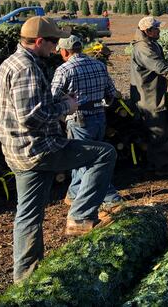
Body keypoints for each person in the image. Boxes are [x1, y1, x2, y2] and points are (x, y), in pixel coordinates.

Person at [0, 17, 117, 282]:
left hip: (18, 150)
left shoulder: (9, 63)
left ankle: (25, 280)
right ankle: (81, 217)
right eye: (52, 42)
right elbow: (31, 115)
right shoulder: (27, 68)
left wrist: (57, 100)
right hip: (40, 149)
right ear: (39, 41)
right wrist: (67, 107)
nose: (55, 48)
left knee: (28, 214)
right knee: (104, 153)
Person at [51, 34, 123, 210]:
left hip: (79, 120)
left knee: (88, 160)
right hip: (99, 117)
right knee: (91, 156)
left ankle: (110, 197)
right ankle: (74, 192)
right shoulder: (99, 65)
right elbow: (112, 92)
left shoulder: (64, 69)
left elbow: (51, 97)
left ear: (65, 51)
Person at [129, 16, 168, 177]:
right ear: (148, 31)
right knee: (159, 131)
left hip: (153, 93)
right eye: (156, 28)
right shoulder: (144, 48)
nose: (159, 30)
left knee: (157, 131)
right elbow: (160, 66)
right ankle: (163, 168)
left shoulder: (150, 44)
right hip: (148, 96)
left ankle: (154, 164)